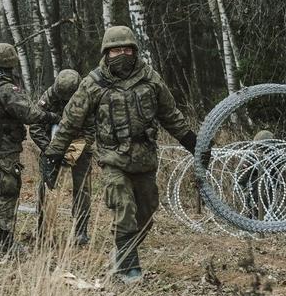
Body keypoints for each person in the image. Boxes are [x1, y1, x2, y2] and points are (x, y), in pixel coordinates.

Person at [44, 26, 203, 281]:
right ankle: (129, 268)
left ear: (135, 50)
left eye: (127, 49)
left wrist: (195, 145)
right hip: (113, 158)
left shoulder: (150, 79)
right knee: (123, 207)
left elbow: (171, 116)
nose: (123, 54)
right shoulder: (93, 84)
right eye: (117, 50)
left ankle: (123, 251)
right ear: (107, 53)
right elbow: (70, 122)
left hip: (145, 158)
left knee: (147, 213)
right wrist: (53, 154)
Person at [0, 42, 57, 254]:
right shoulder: (6, 88)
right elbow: (29, 114)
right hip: (6, 146)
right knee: (8, 192)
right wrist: (51, 116)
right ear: (10, 63)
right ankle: (5, 241)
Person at [29, 69, 92, 244]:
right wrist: (49, 149)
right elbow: (35, 125)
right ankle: (43, 230)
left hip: (80, 145)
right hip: (51, 145)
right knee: (46, 187)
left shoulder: (87, 97)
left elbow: (92, 128)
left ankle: (80, 231)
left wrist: (76, 150)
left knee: (82, 188)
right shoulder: (48, 96)